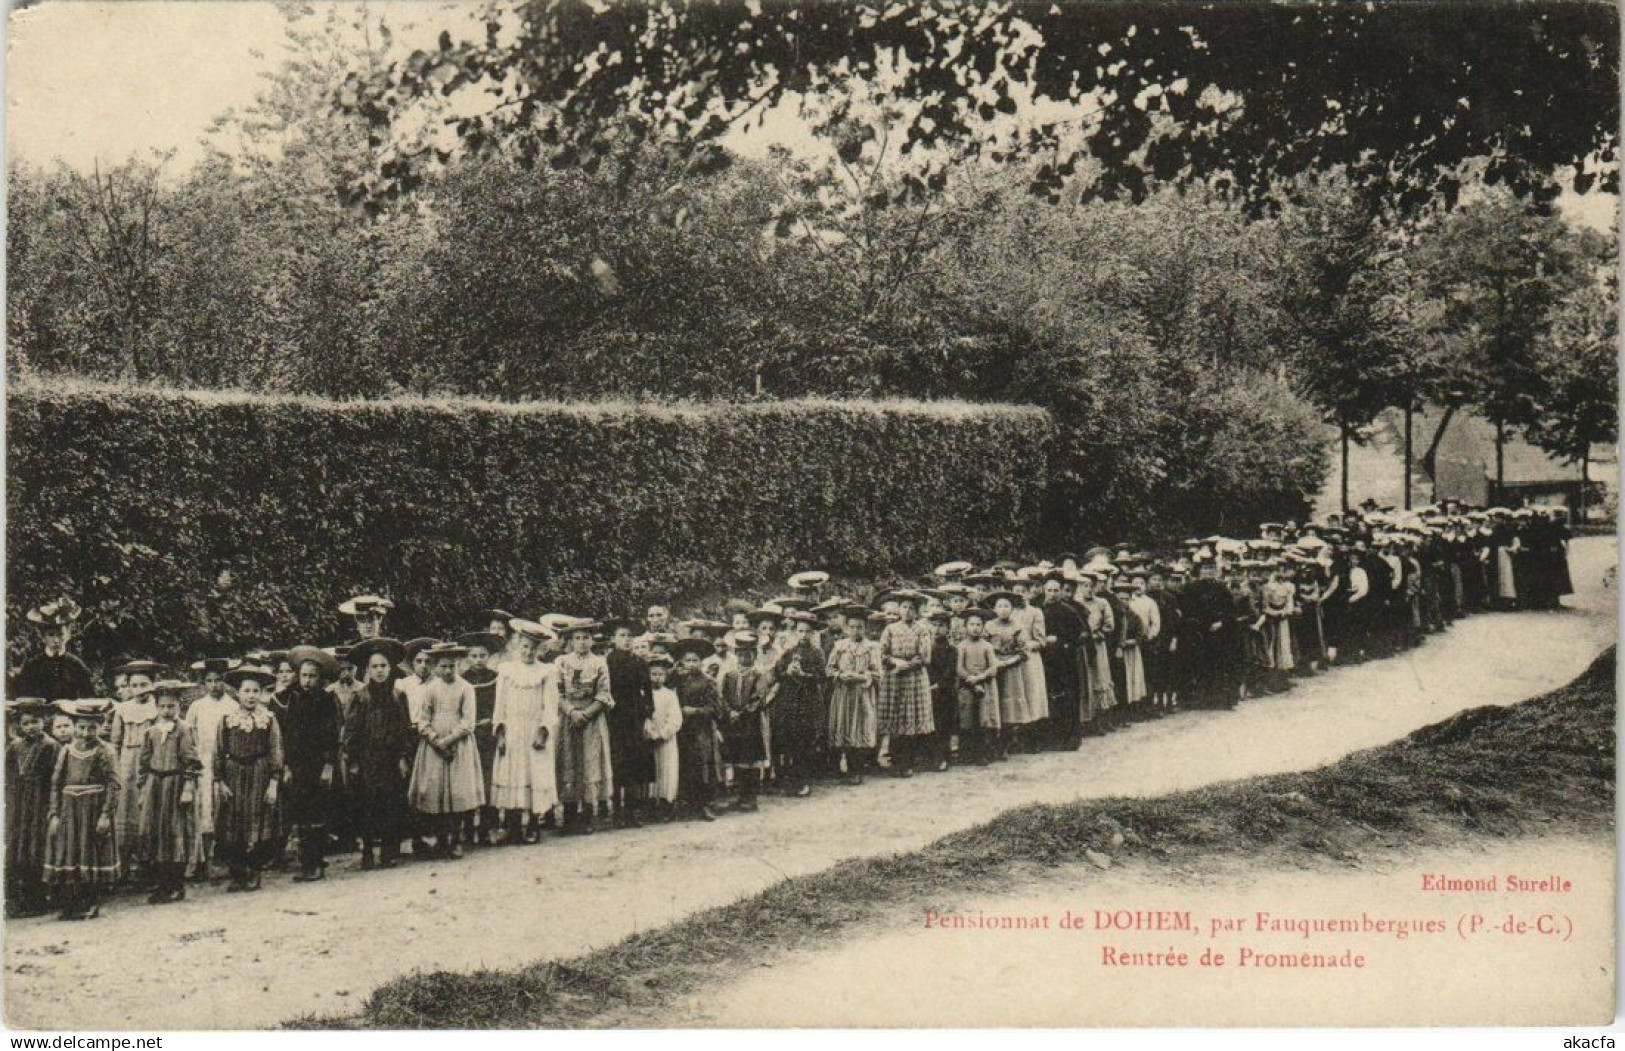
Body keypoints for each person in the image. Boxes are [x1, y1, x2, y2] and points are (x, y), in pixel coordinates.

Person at [343, 638, 415, 869]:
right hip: (367, 760)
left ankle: (388, 850)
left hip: (391, 759)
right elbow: (351, 731)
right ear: (367, 670)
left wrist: (404, 756)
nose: (380, 671)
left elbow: (405, 728)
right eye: (374, 667)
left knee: (391, 803)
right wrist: (353, 761)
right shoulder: (361, 697)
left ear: (390, 668)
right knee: (367, 804)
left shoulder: (398, 696)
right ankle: (366, 851)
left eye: (383, 666)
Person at [44, 700, 120, 920]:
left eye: (92, 728)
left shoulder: (106, 750)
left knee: (92, 853)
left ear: (100, 727)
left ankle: (91, 902)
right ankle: (71, 904)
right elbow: (56, 784)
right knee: (71, 854)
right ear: (75, 727)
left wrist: (106, 814)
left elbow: (114, 784)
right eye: (81, 727)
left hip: (93, 810)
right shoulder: (66, 750)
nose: (86, 733)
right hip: (70, 811)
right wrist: (55, 814)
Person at [408, 643, 484, 858]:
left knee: (457, 793)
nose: (448, 671)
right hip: (433, 747)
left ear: (458, 665)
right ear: (436, 667)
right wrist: (434, 739)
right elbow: (422, 720)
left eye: (452, 666)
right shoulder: (430, 689)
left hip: (459, 744)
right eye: (443, 666)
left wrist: (449, 740)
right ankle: (441, 839)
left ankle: (456, 839)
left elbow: (469, 721)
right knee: (437, 792)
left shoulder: (466, 688)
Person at [214, 665, 283, 892]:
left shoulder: (268, 719)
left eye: (255, 691)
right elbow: (219, 751)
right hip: (233, 774)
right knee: (233, 823)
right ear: (238, 693)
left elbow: (275, 751)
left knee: (258, 820)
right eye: (246, 691)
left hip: (259, 774)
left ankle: (254, 871)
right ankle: (237, 873)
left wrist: (273, 782)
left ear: (261, 693)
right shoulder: (227, 719)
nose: (251, 696)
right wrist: (220, 781)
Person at [489, 621, 560, 844]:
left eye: (533, 648)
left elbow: (551, 705)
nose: (528, 652)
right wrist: (500, 731)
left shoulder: (546, 672)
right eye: (525, 647)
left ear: (540, 649)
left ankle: (532, 825)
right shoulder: (507, 671)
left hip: (534, 730)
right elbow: (499, 705)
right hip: (512, 730)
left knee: (533, 774)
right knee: (512, 774)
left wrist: (544, 730)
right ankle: (511, 826)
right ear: (518, 646)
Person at [136, 681, 201, 904]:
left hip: (175, 784)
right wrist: (143, 789)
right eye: (162, 706)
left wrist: (188, 787)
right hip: (155, 785)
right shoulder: (151, 731)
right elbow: (144, 762)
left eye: (171, 706)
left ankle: (176, 884)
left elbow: (192, 762)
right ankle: (161, 884)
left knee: (175, 833)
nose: (166, 711)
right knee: (155, 832)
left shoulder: (185, 730)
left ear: (179, 706)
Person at [280, 649, 341, 882]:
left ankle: (316, 863)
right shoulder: (293, 699)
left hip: (318, 765)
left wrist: (328, 765)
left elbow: (332, 736)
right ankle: (307, 862)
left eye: (312, 676)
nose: (307, 681)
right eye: (304, 676)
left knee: (318, 812)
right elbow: (287, 735)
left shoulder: (326, 700)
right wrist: (286, 766)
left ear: (320, 678)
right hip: (298, 765)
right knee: (301, 813)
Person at [554, 623, 614, 834]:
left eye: (585, 638)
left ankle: (588, 816)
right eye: (577, 638)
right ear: (571, 640)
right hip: (568, 719)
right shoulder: (561, 662)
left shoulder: (599, 663)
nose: (582, 642)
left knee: (590, 762)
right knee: (569, 761)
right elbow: (558, 692)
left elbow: (604, 694)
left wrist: (586, 714)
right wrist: (571, 712)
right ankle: (569, 816)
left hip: (592, 720)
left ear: (592, 640)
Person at [184, 658, 240, 880]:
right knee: (202, 811)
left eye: (218, 681)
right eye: (209, 681)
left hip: (225, 764)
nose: (214, 685)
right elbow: (189, 736)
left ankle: (223, 858)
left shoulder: (233, 706)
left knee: (224, 810)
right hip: (202, 764)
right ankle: (201, 860)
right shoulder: (197, 707)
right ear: (203, 683)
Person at [108, 660, 161, 883]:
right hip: (128, 762)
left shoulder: (158, 708)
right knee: (125, 809)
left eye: (144, 685)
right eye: (135, 685)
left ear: (153, 685)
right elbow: (115, 742)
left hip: (150, 761)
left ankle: (147, 864)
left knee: (147, 808)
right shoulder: (122, 710)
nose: (140, 690)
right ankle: (124, 865)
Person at [6, 698, 59, 917]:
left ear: (44, 721)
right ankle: (19, 899)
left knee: (37, 847)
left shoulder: (50, 745)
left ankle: (38, 899)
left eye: (35, 721)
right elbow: (8, 774)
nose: (31, 727)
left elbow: (56, 777)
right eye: (26, 723)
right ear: (19, 725)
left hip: (40, 801)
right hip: (19, 803)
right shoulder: (15, 746)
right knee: (18, 847)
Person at [875, 591, 935, 776]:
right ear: (899, 609)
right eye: (904, 607)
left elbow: (925, 656)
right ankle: (894, 760)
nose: (907, 611)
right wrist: (894, 662)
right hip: (894, 677)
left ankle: (908, 762)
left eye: (911, 608)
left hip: (914, 677)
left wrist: (907, 665)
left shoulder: (922, 629)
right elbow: (882, 653)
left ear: (917, 612)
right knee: (895, 716)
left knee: (911, 717)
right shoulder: (890, 629)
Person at [767, 611, 826, 797]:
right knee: (789, 741)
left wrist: (803, 675)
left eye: (807, 632)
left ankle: (804, 782)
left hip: (808, 702)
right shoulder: (789, 652)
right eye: (800, 631)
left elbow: (822, 677)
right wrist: (787, 673)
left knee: (805, 742)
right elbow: (777, 672)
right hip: (789, 702)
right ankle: (790, 781)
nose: (803, 635)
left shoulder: (817, 653)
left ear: (813, 634)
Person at [603, 619, 654, 828]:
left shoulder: (640, 663)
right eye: (622, 636)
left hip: (634, 718)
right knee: (616, 763)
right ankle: (615, 811)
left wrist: (648, 716)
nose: (626, 640)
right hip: (614, 718)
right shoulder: (607, 662)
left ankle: (633, 810)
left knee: (634, 763)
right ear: (613, 639)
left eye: (629, 636)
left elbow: (648, 693)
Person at [457, 632, 503, 846]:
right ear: (467, 657)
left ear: (489, 656)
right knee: (467, 781)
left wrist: (494, 725)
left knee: (487, 780)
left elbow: (500, 706)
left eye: (482, 655)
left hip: (488, 734)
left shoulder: (495, 677)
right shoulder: (461, 679)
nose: (478, 660)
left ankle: (487, 827)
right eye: (473, 656)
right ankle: (466, 828)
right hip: (468, 734)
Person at [671, 638, 725, 820]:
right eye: (688, 660)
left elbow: (716, 709)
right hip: (681, 729)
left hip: (701, 729)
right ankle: (684, 803)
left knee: (702, 764)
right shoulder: (676, 680)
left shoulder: (708, 681)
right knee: (683, 764)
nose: (692, 664)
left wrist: (694, 711)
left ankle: (703, 805)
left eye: (695, 660)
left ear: (701, 662)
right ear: (682, 662)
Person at [825, 609, 880, 784]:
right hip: (843, 693)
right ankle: (844, 768)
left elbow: (878, 673)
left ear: (865, 629)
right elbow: (829, 668)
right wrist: (840, 675)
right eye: (852, 627)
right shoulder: (840, 646)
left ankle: (857, 771)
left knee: (860, 727)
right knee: (844, 727)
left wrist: (860, 677)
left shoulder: (872, 647)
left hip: (862, 693)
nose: (856, 631)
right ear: (846, 628)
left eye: (860, 627)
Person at [719, 632, 771, 812]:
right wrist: (730, 711)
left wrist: (741, 713)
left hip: (751, 723)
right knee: (737, 758)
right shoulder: (730, 675)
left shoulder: (758, 675)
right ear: (736, 655)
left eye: (748, 654)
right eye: (741, 654)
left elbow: (758, 698)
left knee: (750, 758)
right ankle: (740, 796)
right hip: (733, 724)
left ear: (754, 656)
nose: (744, 657)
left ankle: (751, 798)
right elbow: (723, 696)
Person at [13, 599, 94, 702]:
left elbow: (88, 697)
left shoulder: (76, 664)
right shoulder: (32, 665)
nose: (56, 640)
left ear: (67, 635)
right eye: (51, 635)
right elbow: (22, 696)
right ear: (43, 637)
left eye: (60, 634)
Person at [954, 609, 1002, 764]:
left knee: (984, 719)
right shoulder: (961, 646)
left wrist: (980, 677)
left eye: (978, 624)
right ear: (966, 626)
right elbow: (959, 668)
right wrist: (970, 679)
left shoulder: (987, 646)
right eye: (972, 624)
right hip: (967, 685)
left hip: (985, 684)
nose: (975, 628)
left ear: (983, 627)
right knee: (967, 719)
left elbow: (993, 667)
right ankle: (966, 753)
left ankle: (983, 753)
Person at [644, 655, 683, 818]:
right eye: (653, 674)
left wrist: (663, 733)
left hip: (666, 740)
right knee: (653, 770)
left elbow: (675, 718)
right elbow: (644, 716)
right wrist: (649, 732)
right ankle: (652, 803)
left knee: (667, 770)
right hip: (649, 738)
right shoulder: (643, 694)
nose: (656, 678)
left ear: (666, 676)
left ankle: (667, 803)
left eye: (660, 674)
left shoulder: (670, 695)